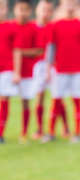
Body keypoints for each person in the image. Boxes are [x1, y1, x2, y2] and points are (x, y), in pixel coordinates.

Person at [43, 0, 80, 143]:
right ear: (62, 6)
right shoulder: (56, 26)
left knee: (77, 100)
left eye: (73, 3)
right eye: (67, 3)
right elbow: (51, 49)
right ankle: (51, 132)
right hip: (60, 70)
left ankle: (77, 133)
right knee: (56, 100)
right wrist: (48, 69)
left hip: (77, 69)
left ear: (77, 6)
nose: (70, 6)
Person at [13, 0, 42, 143]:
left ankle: (24, 133)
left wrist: (20, 53)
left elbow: (39, 50)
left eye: (26, 10)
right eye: (20, 9)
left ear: (30, 11)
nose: (22, 12)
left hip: (27, 72)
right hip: (7, 70)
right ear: (15, 10)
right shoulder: (9, 26)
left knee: (25, 101)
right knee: (4, 99)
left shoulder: (34, 28)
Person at [32, 0, 54, 140]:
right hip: (38, 66)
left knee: (57, 97)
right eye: (43, 9)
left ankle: (64, 128)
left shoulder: (53, 27)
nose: (45, 13)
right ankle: (39, 129)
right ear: (37, 10)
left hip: (52, 65)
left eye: (48, 10)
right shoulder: (32, 27)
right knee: (39, 97)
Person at [0, 0, 16, 144]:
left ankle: (1, 133)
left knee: (4, 99)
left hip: (6, 69)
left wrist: (16, 71)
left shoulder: (11, 27)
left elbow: (16, 50)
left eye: (2, 7)